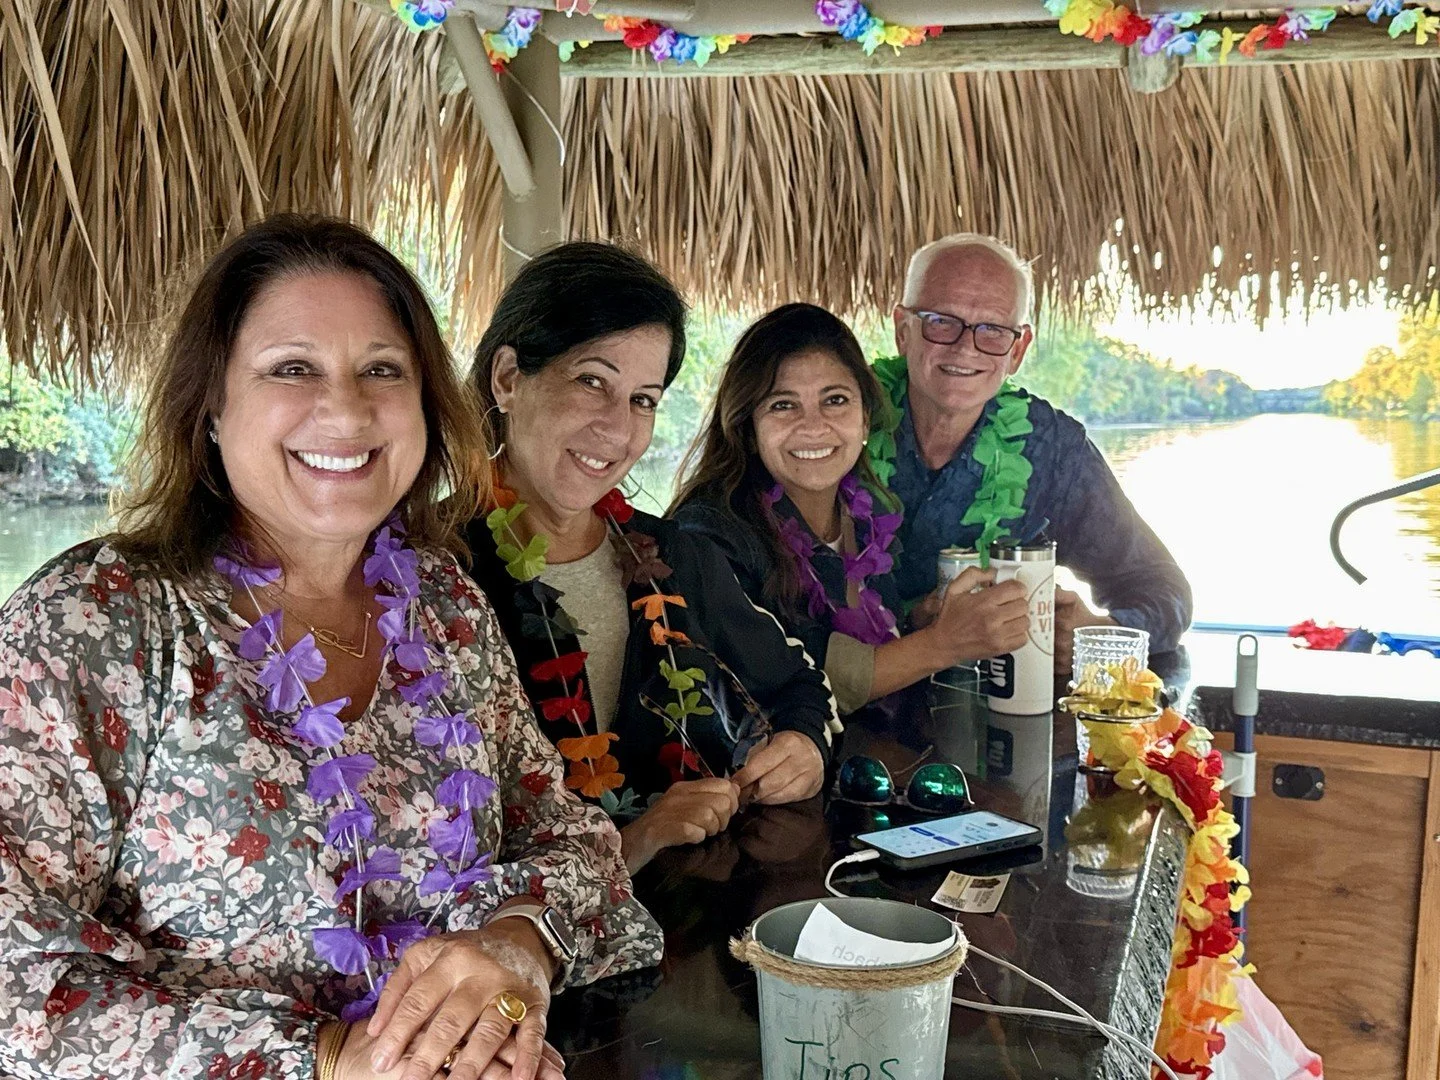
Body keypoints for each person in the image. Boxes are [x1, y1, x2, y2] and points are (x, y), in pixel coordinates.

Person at [0, 216, 663, 1080]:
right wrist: (327, 1058)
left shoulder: (444, 608)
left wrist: (517, 949)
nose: (346, 409)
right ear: (210, 405)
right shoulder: (94, 622)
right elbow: (15, 975)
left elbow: (574, 843)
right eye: (292, 368)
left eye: (381, 369)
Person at [463, 244, 839, 875]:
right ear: (508, 378)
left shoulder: (675, 557)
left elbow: (801, 684)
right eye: (592, 381)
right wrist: (631, 838)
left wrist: (804, 747)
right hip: (519, 960)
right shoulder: (431, 575)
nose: (617, 427)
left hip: (688, 938)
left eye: (643, 399)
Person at [670, 303, 1028, 715]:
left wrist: (920, 625)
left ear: (864, 419)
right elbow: (791, 677)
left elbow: (869, 646)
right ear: (747, 428)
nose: (813, 426)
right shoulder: (709, 535)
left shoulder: (866, 510)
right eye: (783, 405)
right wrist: (944, 642)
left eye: (835, 400)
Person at [878, 234, 1193, 667]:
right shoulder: (837, 428)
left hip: (1006, 713)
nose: (965, 346)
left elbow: (1163, 590)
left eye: (992, 329)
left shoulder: (1055, 452)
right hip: (838, 716)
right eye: (941, 321)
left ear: (1018, 350)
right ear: (902, 329)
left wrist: (1100, 635)